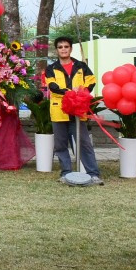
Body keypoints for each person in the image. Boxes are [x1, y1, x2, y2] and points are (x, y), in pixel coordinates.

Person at [44, 36, 104, 185]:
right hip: (60, 111)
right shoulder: (51, 68)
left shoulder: (81, 66)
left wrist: (82, 91)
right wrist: (71, 92)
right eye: (60, 47)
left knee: (84, 143)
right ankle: (66, 173)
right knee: (60, 145)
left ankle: (93, 174)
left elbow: (91, 80)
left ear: (71, 48)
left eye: (66, 46)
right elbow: (52, 86)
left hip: (78, 111)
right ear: (57, 50)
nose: (63, 49)